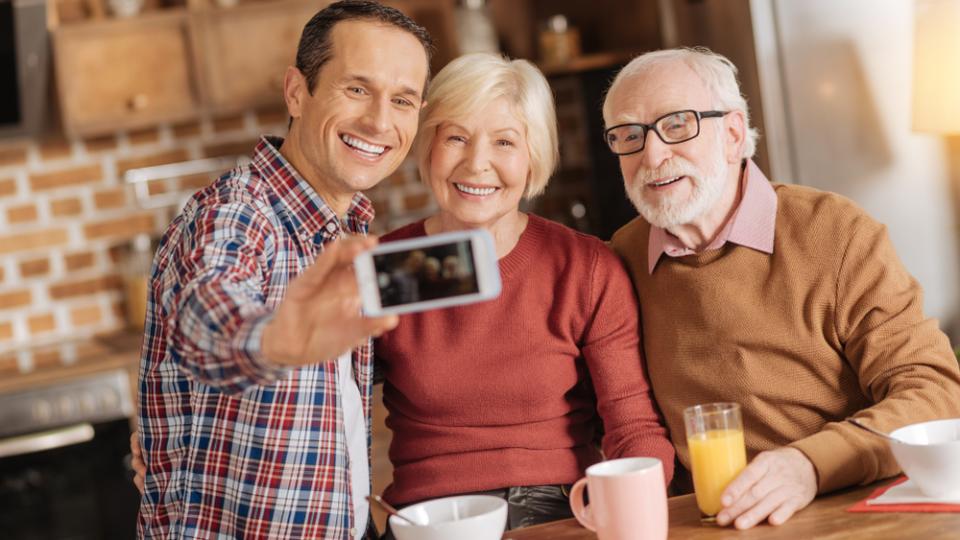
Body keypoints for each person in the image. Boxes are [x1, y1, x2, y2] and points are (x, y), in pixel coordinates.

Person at [602, 47, 960, 530]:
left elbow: (934, 391)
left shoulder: (836, 233)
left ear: (731, 134)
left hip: (848, 509)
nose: (653, 154)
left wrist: (811, 464)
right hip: (709, 521)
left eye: (677, 125)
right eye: (628, 135)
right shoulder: (617, 260)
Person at [135, 2, 431, 538]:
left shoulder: (345, 232)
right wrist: (274, 343)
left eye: (403, 100)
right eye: (357, 89)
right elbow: (209, 312)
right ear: (297, 92)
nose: (380, 121)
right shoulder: (237, 211)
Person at [375, 53, 675, 535]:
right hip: (432, 518)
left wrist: (631, 512)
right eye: (455, 137)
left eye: (504, 142)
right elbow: (322, 417)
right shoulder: (391, 269)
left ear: (534, 155)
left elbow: (632, 427)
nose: (476, 163)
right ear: (428, 147)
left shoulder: (583, 267)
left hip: (557, 509)